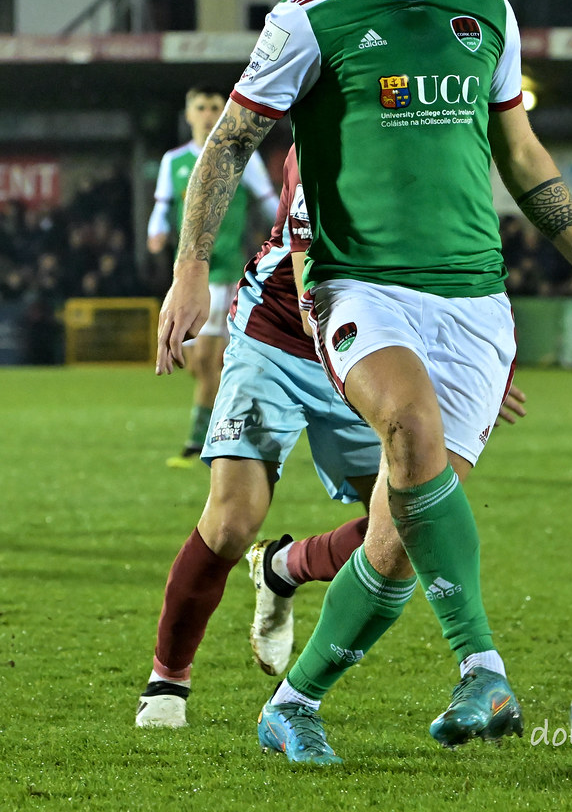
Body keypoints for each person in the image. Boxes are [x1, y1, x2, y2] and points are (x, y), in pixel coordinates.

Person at [155, 0, 572, 765]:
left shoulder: (488, 19)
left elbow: (519, 153)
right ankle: (483, 669)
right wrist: (191, 274)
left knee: (395, 536)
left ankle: (294, 702)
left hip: (474, 301)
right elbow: (228, 143)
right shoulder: (311, 19)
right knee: (413, 429)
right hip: (359, 286)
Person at [137, 146, 528, 729]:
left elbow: (458, 267)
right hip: (280, 335)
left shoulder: (427, 144)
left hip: (370, 347)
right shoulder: (327, 138)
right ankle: (167, 681)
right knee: (231, 518)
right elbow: (306, 278)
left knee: (404, 530)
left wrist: (480, 369)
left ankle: (284, 566)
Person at [148, 85, 280, 467]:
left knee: (210, 358)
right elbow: (163, 204)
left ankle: (200, 442)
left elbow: (269, 201)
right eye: (201, 107)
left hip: (224, 271)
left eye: (215, 107)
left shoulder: (241, 157)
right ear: (188, 114)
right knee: (199, 362)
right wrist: (154, 231)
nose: (208, 114)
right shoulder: (173, 161)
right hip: (187, 274)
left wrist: (289, 231)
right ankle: (241, 425)